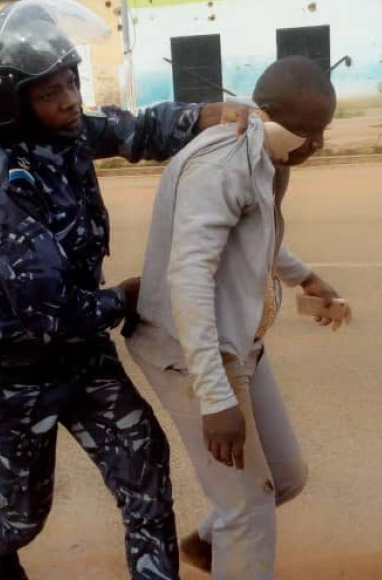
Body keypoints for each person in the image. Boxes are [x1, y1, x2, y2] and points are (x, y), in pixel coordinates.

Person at [0, 0, 246, 580]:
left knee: (145, 473)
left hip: (83, 356)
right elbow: (47, 309)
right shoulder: (1, 186)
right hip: (15, 373)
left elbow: (132, 130)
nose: (70, 99)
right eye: (50, 93)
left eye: (70, 81)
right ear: (13, 105)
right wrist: (124, 299)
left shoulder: (66, 135)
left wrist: (207, 115)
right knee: (23, 515)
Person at [126, 56, 348, 579]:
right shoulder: (223, 164)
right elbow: (190, 278)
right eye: (307, 132)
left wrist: (305, 277)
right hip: (192, 351)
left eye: (323, 133)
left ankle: (210, 547)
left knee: (286, 478)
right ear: (268, 113)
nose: (314, 145)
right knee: (248, 508)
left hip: (237, 339)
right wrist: (216, 397)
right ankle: (232, 545)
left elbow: (254, 235)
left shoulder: (267, 151)